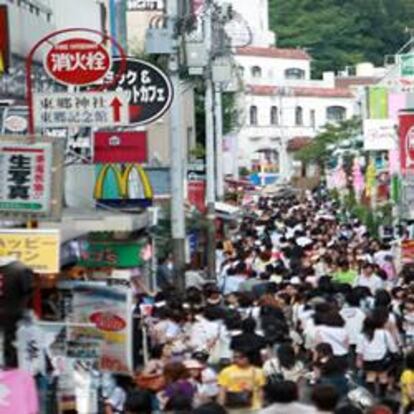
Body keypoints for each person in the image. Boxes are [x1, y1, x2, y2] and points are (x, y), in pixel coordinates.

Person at [356, 315, 399, 397]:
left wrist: (358, 360)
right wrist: (395, 353)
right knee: (383, 377)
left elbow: (359, 350)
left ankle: (371, 395)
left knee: (370, 377)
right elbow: (392, 347)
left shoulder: (362, 335)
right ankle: (382, 395)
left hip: (368, 359)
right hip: (383, 359)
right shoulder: (384, 333)